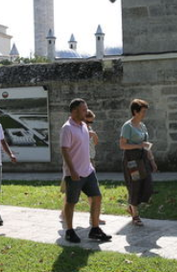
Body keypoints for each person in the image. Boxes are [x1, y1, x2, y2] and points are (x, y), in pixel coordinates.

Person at [61, 98, 111, 243]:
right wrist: (72, 171)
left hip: (88, 171)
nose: (86, 111)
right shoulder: (67, 128)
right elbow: (64, 150)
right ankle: (69, 231)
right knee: (71, 202)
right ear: (75, 111)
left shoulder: (83, 125)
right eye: (83, 109)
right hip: (74, 173)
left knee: (97, 197)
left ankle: (95, 230)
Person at [120, 99, 158, 227]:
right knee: (135, 185)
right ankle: (135, 214)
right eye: (142, 111)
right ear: (135, 111)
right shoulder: (127, 126)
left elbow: (146, 145)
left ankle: (132, 205)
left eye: (145, 111)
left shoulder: (142, 126)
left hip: (143, 158)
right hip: (132, 161)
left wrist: (152, 160)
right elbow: (122, 145)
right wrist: (138, 145)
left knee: (148, 186)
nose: (144, 114)